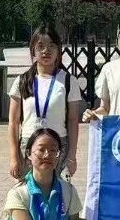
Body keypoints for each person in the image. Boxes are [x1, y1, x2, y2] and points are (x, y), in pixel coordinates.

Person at [8, 24, 82, 179]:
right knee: (28, 192)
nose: (46, 51)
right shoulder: (22, 81)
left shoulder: (68, 81)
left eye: (51, 46)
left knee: (58, 191)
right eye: (40, 46)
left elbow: (73, 120)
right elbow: (13, 122)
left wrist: (71, 156)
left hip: (58, 147)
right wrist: (14, 157)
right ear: (33, 50)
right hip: (29, 146)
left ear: (58, 50)